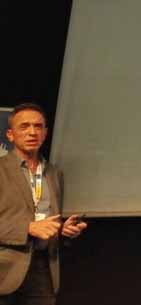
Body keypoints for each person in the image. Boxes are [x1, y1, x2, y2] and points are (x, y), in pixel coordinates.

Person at [0, 103, 87, 305]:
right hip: (4, 269)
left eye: (38, 126)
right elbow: (30, 225)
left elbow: (48, 218)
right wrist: (28, 228)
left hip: (43, 271)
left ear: (45, 133)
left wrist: (63, 230)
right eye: (24, 126)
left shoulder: (55, 174)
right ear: (10, 135)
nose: (32, 132)